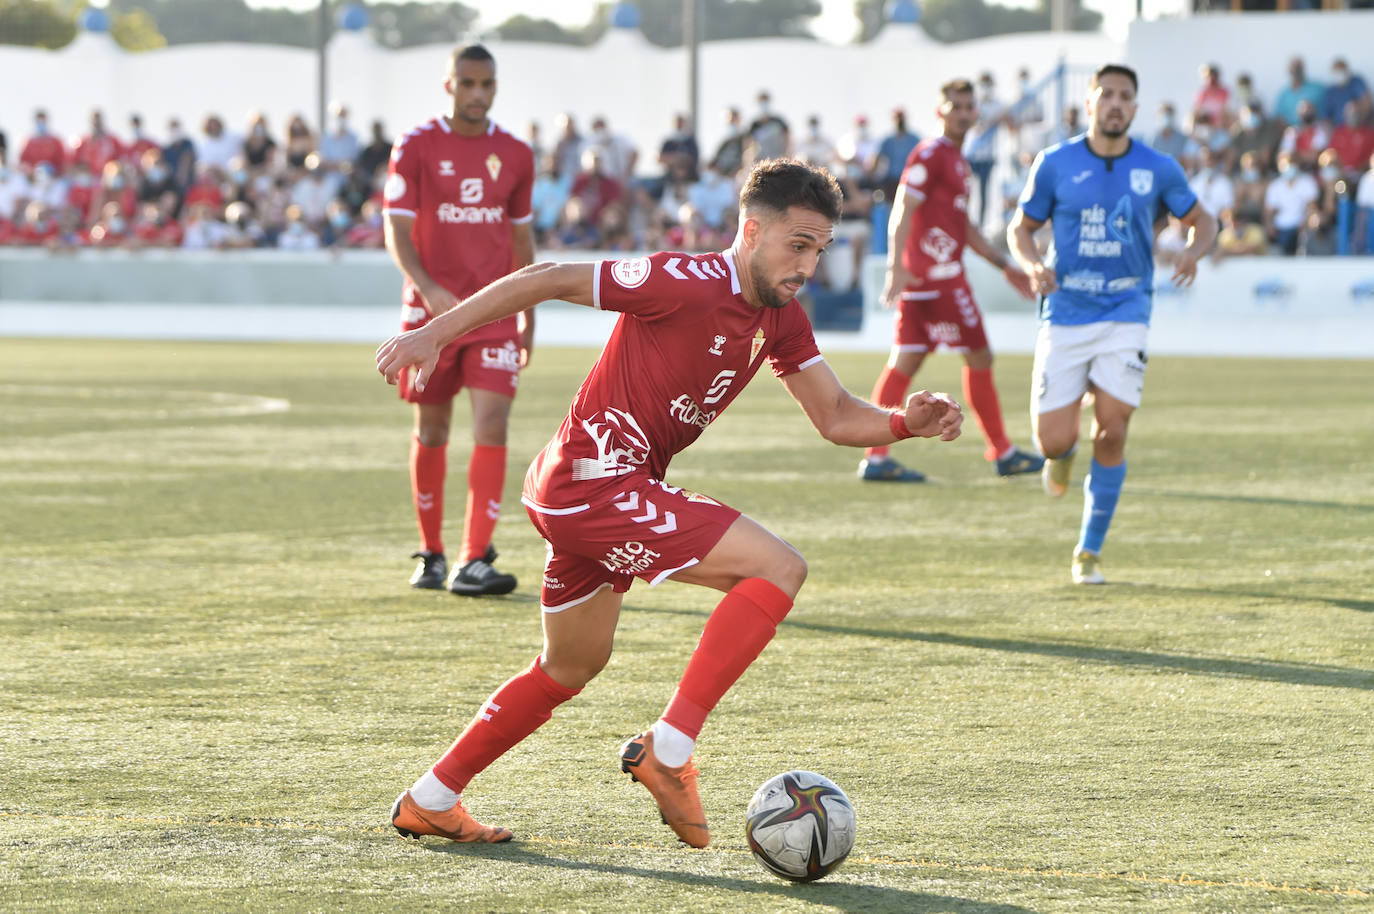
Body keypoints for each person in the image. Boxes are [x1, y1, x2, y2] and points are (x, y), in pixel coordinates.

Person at [375, 157, 963, 848]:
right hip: (595, 479)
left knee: (570, 665)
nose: (808, 264)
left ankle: (431, 797)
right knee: (777, 569)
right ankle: (670, 750)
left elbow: (835, 416)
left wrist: (903, 423)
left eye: (820, 250)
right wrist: (435, 331)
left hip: (595, 492)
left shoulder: (779, 318)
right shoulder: (682, 280)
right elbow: (549, 276)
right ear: (751, 231)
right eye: (797, 245)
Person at [1007, 64, 1216, 586]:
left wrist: (1195, 251)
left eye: (1126, 96)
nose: (1116, 104)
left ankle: (1088, 551)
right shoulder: (1056, 163)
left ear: (1135, 108)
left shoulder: (1158, 167)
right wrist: (1033, 263)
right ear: (1090, 102)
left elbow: (1203, 220)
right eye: (1107, 95)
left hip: (1127, 311)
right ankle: (1061, 455)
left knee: (1114, 431)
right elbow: (1022, 227)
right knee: (1052, 441)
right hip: (1066, 309)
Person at [382, 44, 536, 595]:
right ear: (449, 85)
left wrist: (528, 312)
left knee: (492, 425)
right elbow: (396, 230)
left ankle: (475, 560)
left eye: (486, 84)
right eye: (467, 83)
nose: (477, 93)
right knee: (433, 428)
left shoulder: (516, 153)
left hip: (493, 313)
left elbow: (521, 238)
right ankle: (432, 553)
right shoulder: (416, 146)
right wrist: (427, 287)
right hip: (429, 316)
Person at [861, 78, 1042, 483]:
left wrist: (1005, 265)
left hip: (927, 282)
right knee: (979, 357)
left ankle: (876, 458)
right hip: (939, 280)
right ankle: (1002, 452)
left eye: (968, 106)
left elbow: (964, 228)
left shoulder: (958, 162)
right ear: (939, 111)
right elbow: (903, 207)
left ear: (975, 113)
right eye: (955, 106)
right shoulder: (931, 153)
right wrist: (896, 266)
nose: (962, 113)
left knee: (905, 361)